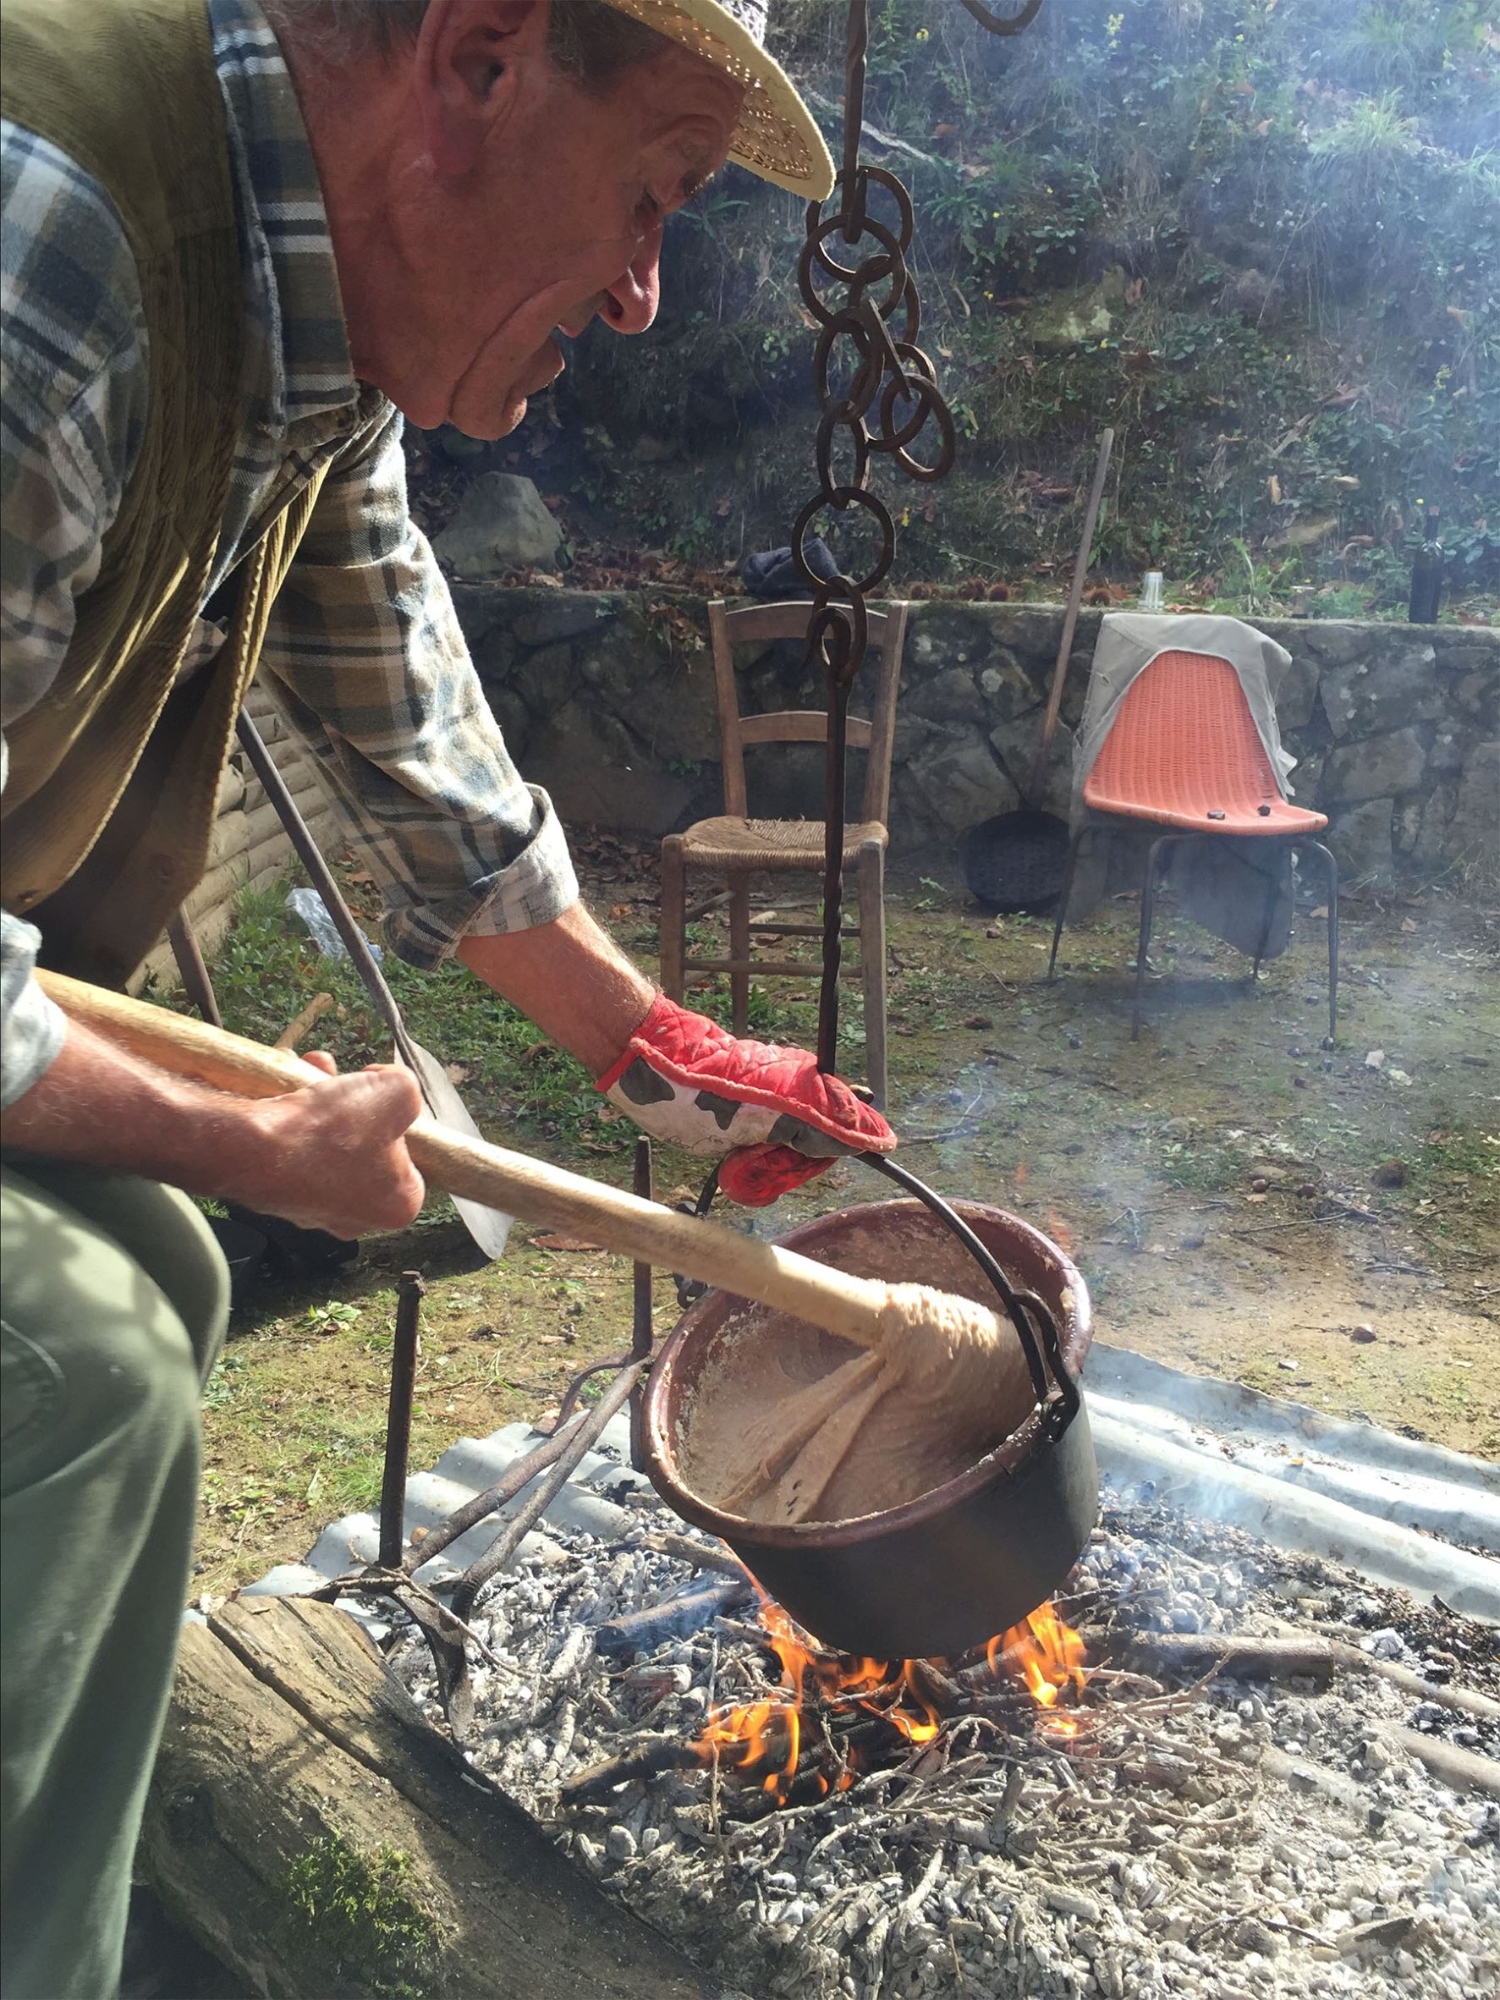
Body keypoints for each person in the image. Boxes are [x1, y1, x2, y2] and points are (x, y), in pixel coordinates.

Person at [0, 2, 894, 1990]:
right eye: (652, 194)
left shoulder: (307, 316)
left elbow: (398, 695)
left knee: (159, 1266)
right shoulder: (43, 231)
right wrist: (253, 1136)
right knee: (72, 1361)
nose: (652, 293)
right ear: (479, 62)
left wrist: (634, 1038)